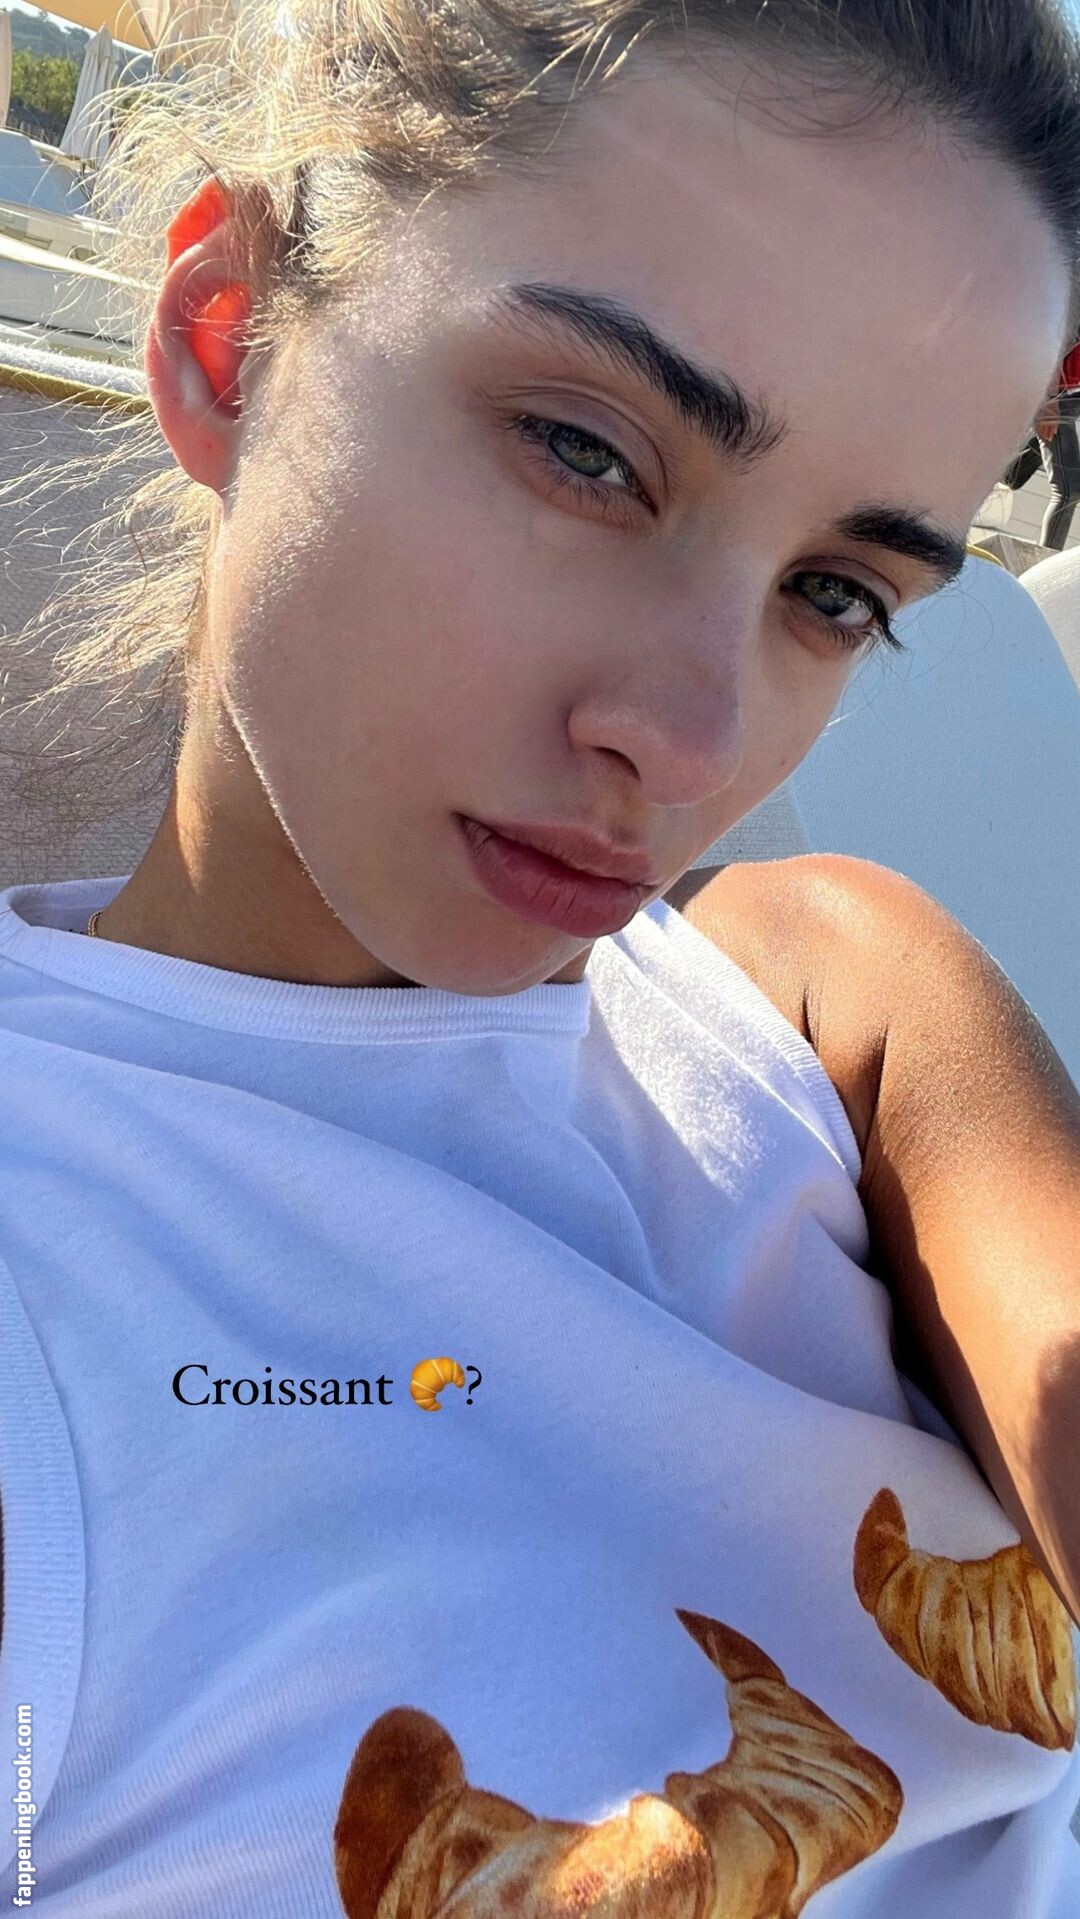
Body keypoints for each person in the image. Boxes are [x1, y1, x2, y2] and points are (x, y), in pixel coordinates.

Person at [0, 0, 1078, 1913]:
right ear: (230, 341)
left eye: (836, 593)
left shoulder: (825, 1001)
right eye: (588, 452)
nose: (690, 736)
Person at [1039, 339, 1080, 547]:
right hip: (1054, 396)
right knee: (1068, 492)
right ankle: (1045, 560)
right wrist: (1049, 398)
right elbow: (1056, 342)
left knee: (1012, 477)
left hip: (1070, 398)